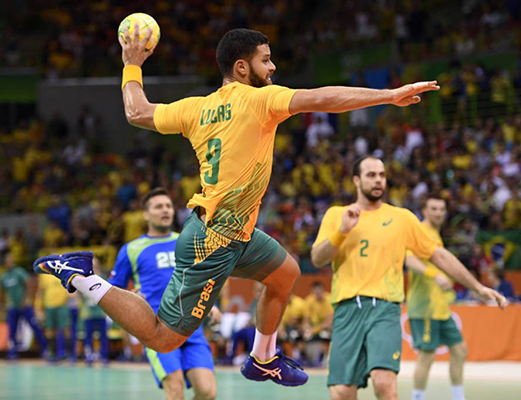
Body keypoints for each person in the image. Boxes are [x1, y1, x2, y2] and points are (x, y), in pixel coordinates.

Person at [34, 27, 442, 386]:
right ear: (243, 68)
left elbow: (136, 111)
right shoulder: (259, 101)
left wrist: (130, 64)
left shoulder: (195, 107)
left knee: (286, 274)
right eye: (266, 60)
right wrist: (388, 96)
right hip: (211, 241)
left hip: (238, 233)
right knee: (164, 337)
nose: (274, 68)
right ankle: (82, 277)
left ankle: (263, 358)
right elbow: (324, 98)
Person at [310, 156, 506, 400]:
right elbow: (317, 258)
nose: (378, 180)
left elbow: (440, 256)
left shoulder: (402, 218)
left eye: (382, 174)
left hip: (384, 308)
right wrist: (342, 232)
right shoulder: (337, 214)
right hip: (347, 308)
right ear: (356, 180)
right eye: (371, 175)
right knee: (341, 392)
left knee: (384, 383)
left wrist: (477, 287)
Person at [109, 188, 217, 400]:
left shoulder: (188, 240)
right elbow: (114, 290)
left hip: (191, 329)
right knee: (174, 390)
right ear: (146, 215)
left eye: (168, 206)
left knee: (207, 392)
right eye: (158, 207)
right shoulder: (131, 249)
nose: (165, 210)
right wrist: (130, 298)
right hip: (157, 329)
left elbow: (203, 278)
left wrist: (212, 305)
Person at [404, 195, 466, 400]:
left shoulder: (436, 235)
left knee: (459, 349)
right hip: (424, 307)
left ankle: (458, 397)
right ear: (424, 211)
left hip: (440, 308)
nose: (438, 212)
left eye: (441, 209)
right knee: (427, 356)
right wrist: (435, 275)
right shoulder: (420, 231)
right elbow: (409, 258)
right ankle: (417, 398)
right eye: (433, 208)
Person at [0, 251, 47, 359]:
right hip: (12, 307)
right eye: (7, 260)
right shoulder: (4, 276)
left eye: (10, 260)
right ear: (4, 262)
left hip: (24, 306)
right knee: (12, 330)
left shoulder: (19, 272)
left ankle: (45, 349)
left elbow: (29, 283)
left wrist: (27, 299)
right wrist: (1, 304)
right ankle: (12, 352)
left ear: (13, 261)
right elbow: (1, 291)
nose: (9, 262)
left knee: (34, 326)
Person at [79, 257, 109, 366]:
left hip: (100, 312)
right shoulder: (84, 278)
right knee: (88, 335)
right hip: (89, 313)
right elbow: (80, 294)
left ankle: (104, 356)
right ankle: (89, 356)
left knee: (103, 335)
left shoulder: (103, 278)